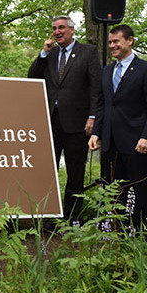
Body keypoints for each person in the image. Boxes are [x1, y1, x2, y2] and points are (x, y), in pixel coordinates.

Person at [28, 15, 101, 222]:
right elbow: (32, 77)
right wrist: (43, 53)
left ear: (72, 30)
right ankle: (47, 216)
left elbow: (96, 87)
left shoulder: (88, 52)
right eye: (54, 28)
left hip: (78, 124)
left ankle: (72, 219)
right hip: (51, 122)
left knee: (75, 172)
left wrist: (93, 116)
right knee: (47, 171)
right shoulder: (49, 55)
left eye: (61, 28)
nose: (57, 32)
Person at [89, 24, 147, 227]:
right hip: (110, 144)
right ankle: (116, 232)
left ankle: (140, 234)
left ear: (130, 41)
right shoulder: (107, 71)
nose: (112, 46)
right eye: (110, 42)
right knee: (112, 190)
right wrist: (96, 133)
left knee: (138, 190)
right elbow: (102, 105)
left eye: (116, 42)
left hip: (137, 142)